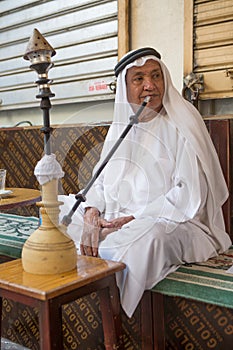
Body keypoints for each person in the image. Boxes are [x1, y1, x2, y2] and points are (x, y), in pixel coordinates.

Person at [59, 47, 232, 318]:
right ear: (125, 88)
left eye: (155, 76)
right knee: (58, 218)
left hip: (174, 223)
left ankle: (113, 317)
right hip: (115, 221)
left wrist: (133, 219)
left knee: (145, 239)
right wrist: (93, 213)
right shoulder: (122, 125)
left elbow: (188, 194)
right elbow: (100, 182)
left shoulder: (182, 120)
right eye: (138, 79)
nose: (149, 85)